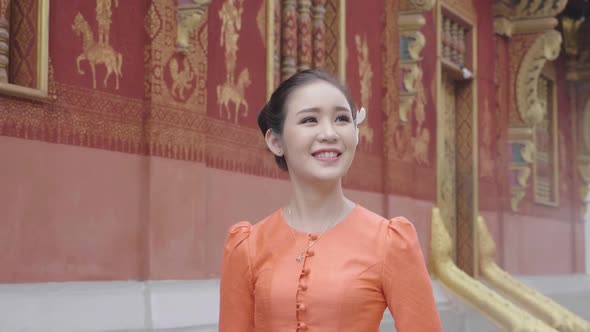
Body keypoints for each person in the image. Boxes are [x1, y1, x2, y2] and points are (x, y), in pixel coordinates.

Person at [219, 69, 442, 331]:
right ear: (276, 141)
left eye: (341, 119)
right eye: (310, 120)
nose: (330, 133)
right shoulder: (247, 246)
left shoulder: (391, 242)